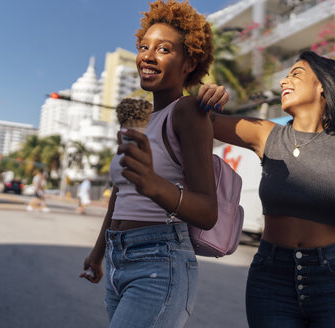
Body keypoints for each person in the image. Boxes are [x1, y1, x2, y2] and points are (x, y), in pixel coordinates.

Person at [198, 50, 335, 328]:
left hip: (334, 278)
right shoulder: (266, 134)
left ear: (323, 86)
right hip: (271, 278)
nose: (284, 81)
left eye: (295, 74)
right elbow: (202, 123)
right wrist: (208, 96)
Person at [80, 1, 226, 326]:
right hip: (119, 259)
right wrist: (98, 252)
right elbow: (120, 196)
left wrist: (152, 184)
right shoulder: (141, 119)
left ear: (189, 63)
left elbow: (207, 211)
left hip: (160, 262)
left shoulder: (187, 112)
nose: (148, 55)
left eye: (163, 49)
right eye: (144, 46)